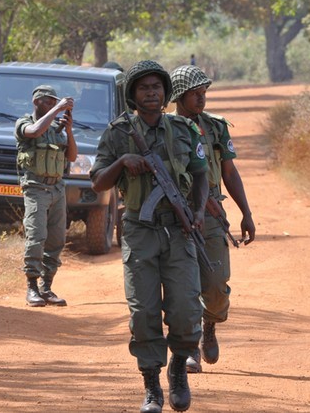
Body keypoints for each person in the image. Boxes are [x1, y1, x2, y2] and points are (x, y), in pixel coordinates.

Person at [90, 60, 208, 413]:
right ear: (133, 95)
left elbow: (201, 175)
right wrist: (122, 161)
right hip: (140, 232)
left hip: (179, 228)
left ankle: (179, 366)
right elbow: (98, 182)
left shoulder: (183, 130)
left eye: (157, 87)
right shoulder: (117, 133)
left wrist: (199, 211)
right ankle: (152, 384)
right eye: (144, 88)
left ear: (165, 92)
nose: (152, 93)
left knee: (187, 310)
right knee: (143, 313)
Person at [169, 65, 255, 373]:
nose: (202, 99)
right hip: (175, 215)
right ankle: (189, 346)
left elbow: (229, 172)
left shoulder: (215, 127)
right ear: (179, 96)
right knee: (183, 286)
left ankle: (210, 326)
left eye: (204, 93)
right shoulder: (164, 127)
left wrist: (246, 212)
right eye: (195, 94)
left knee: (216, 284)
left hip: (212, 214)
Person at [15, 85, 77, 307]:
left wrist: (68, 130)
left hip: (57, 189)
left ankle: (46, 287)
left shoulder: (55, 129)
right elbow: (33, 132)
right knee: (36, 236)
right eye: (48, 102)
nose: (52, 105)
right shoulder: (25, 123)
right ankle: (31, 287)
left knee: (56, 239)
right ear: (36, 102)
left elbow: (72, 156)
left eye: (54, 102)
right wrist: (57, 109)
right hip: (35, 188)